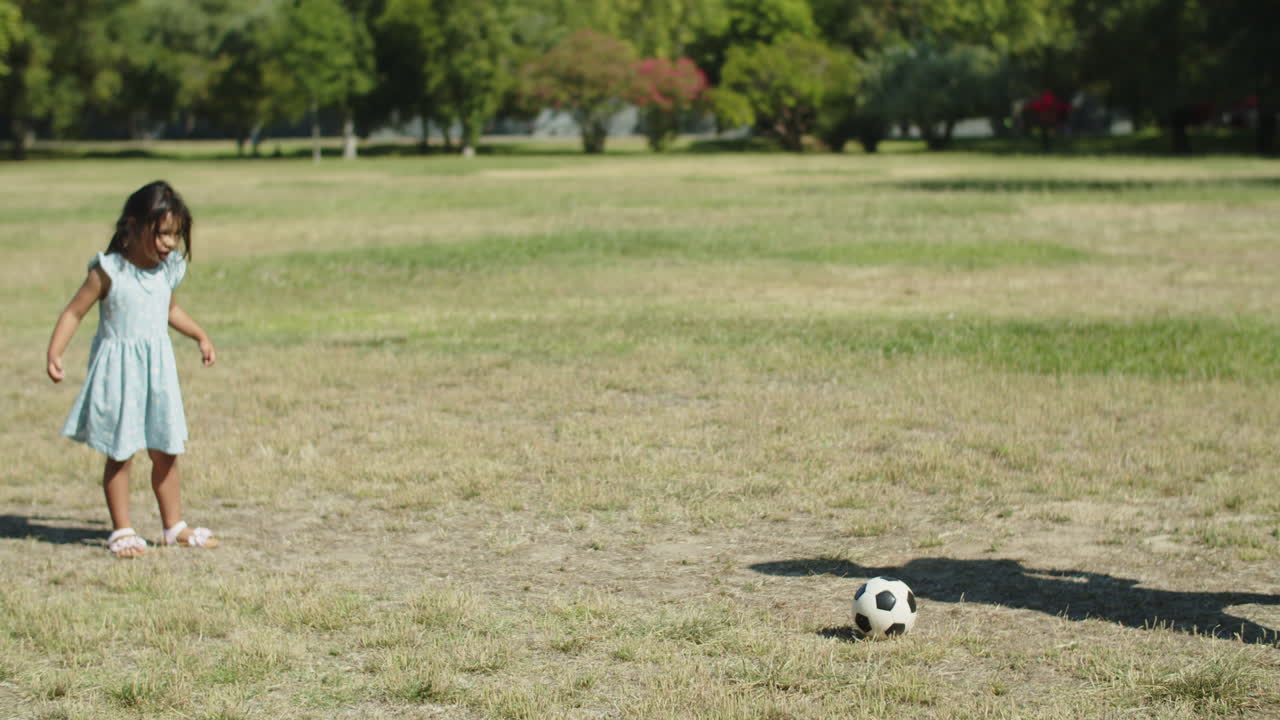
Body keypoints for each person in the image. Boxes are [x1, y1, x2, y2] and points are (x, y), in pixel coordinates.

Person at [46, 180, 219, 558]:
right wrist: (55, 352)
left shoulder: (166, 270)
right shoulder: (109, 271)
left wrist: (200, 335)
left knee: (166, 450)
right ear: (134, 225)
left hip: (158, 376)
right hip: (119, 376)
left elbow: (169, 310)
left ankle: (174, 526)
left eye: (176, 235)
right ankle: (122, 529)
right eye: (162, 234)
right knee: (120, 452)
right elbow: (75, 311)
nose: (171, 243)